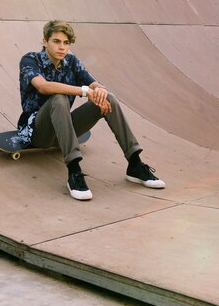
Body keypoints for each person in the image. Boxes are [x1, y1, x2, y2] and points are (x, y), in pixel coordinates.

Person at [17, 20, 165, 201]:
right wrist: (85, 91)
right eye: (56, 41)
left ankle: (135, 163)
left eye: (66, 43)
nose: (61, 47)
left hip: (64, 128)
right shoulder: (30, 59)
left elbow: (92, 82)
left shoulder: (71, 61)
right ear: (44, 41)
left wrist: (100, 89)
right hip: (38, 133)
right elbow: (44, 87)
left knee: (108, 97)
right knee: (58, 98)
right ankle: (74, 172)